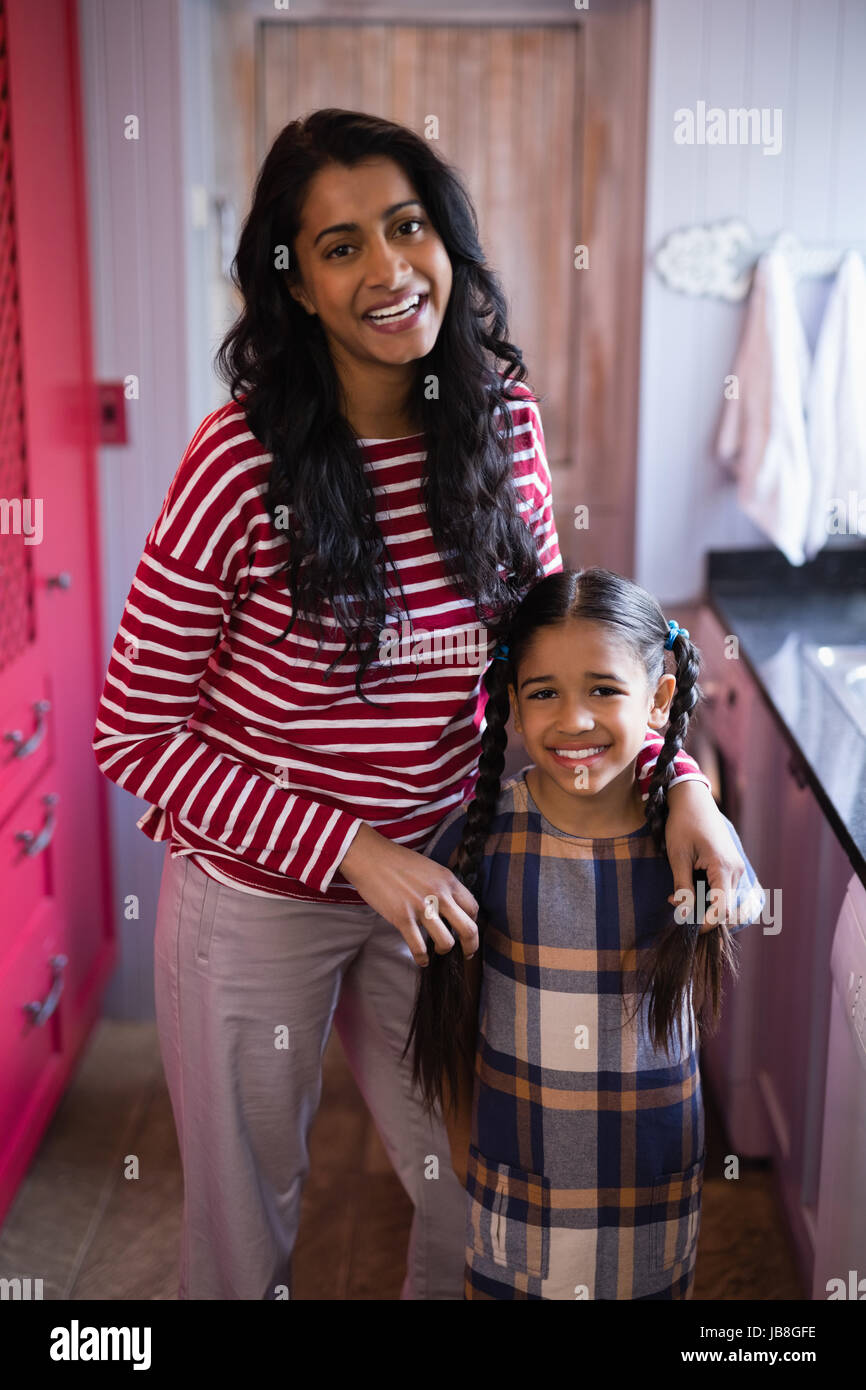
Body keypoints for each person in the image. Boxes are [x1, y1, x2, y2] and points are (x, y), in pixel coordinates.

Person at [91, 109, 744, 1301]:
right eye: (339, 248)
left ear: (446, 236)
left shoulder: (498, 419)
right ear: (293, 288)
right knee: (244, 1237)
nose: (389, 270)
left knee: (472, 1196)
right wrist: (354, 851)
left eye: (406, 227)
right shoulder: (238, 463)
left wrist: (679, 782)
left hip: (441, 881)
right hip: (255, 898)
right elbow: (133, 729)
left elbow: (558, 662)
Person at [408, 567, 765, 1300]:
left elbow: (743, 906)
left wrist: (692, 794)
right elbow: (452, 1027)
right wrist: (471, 1161)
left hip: (651, 1188)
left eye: (604, 689)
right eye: (545, 694)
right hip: (518, 1191)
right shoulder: (479, 849)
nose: (574, 720)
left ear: (659, 699)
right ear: (512, 702)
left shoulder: (689, 846)